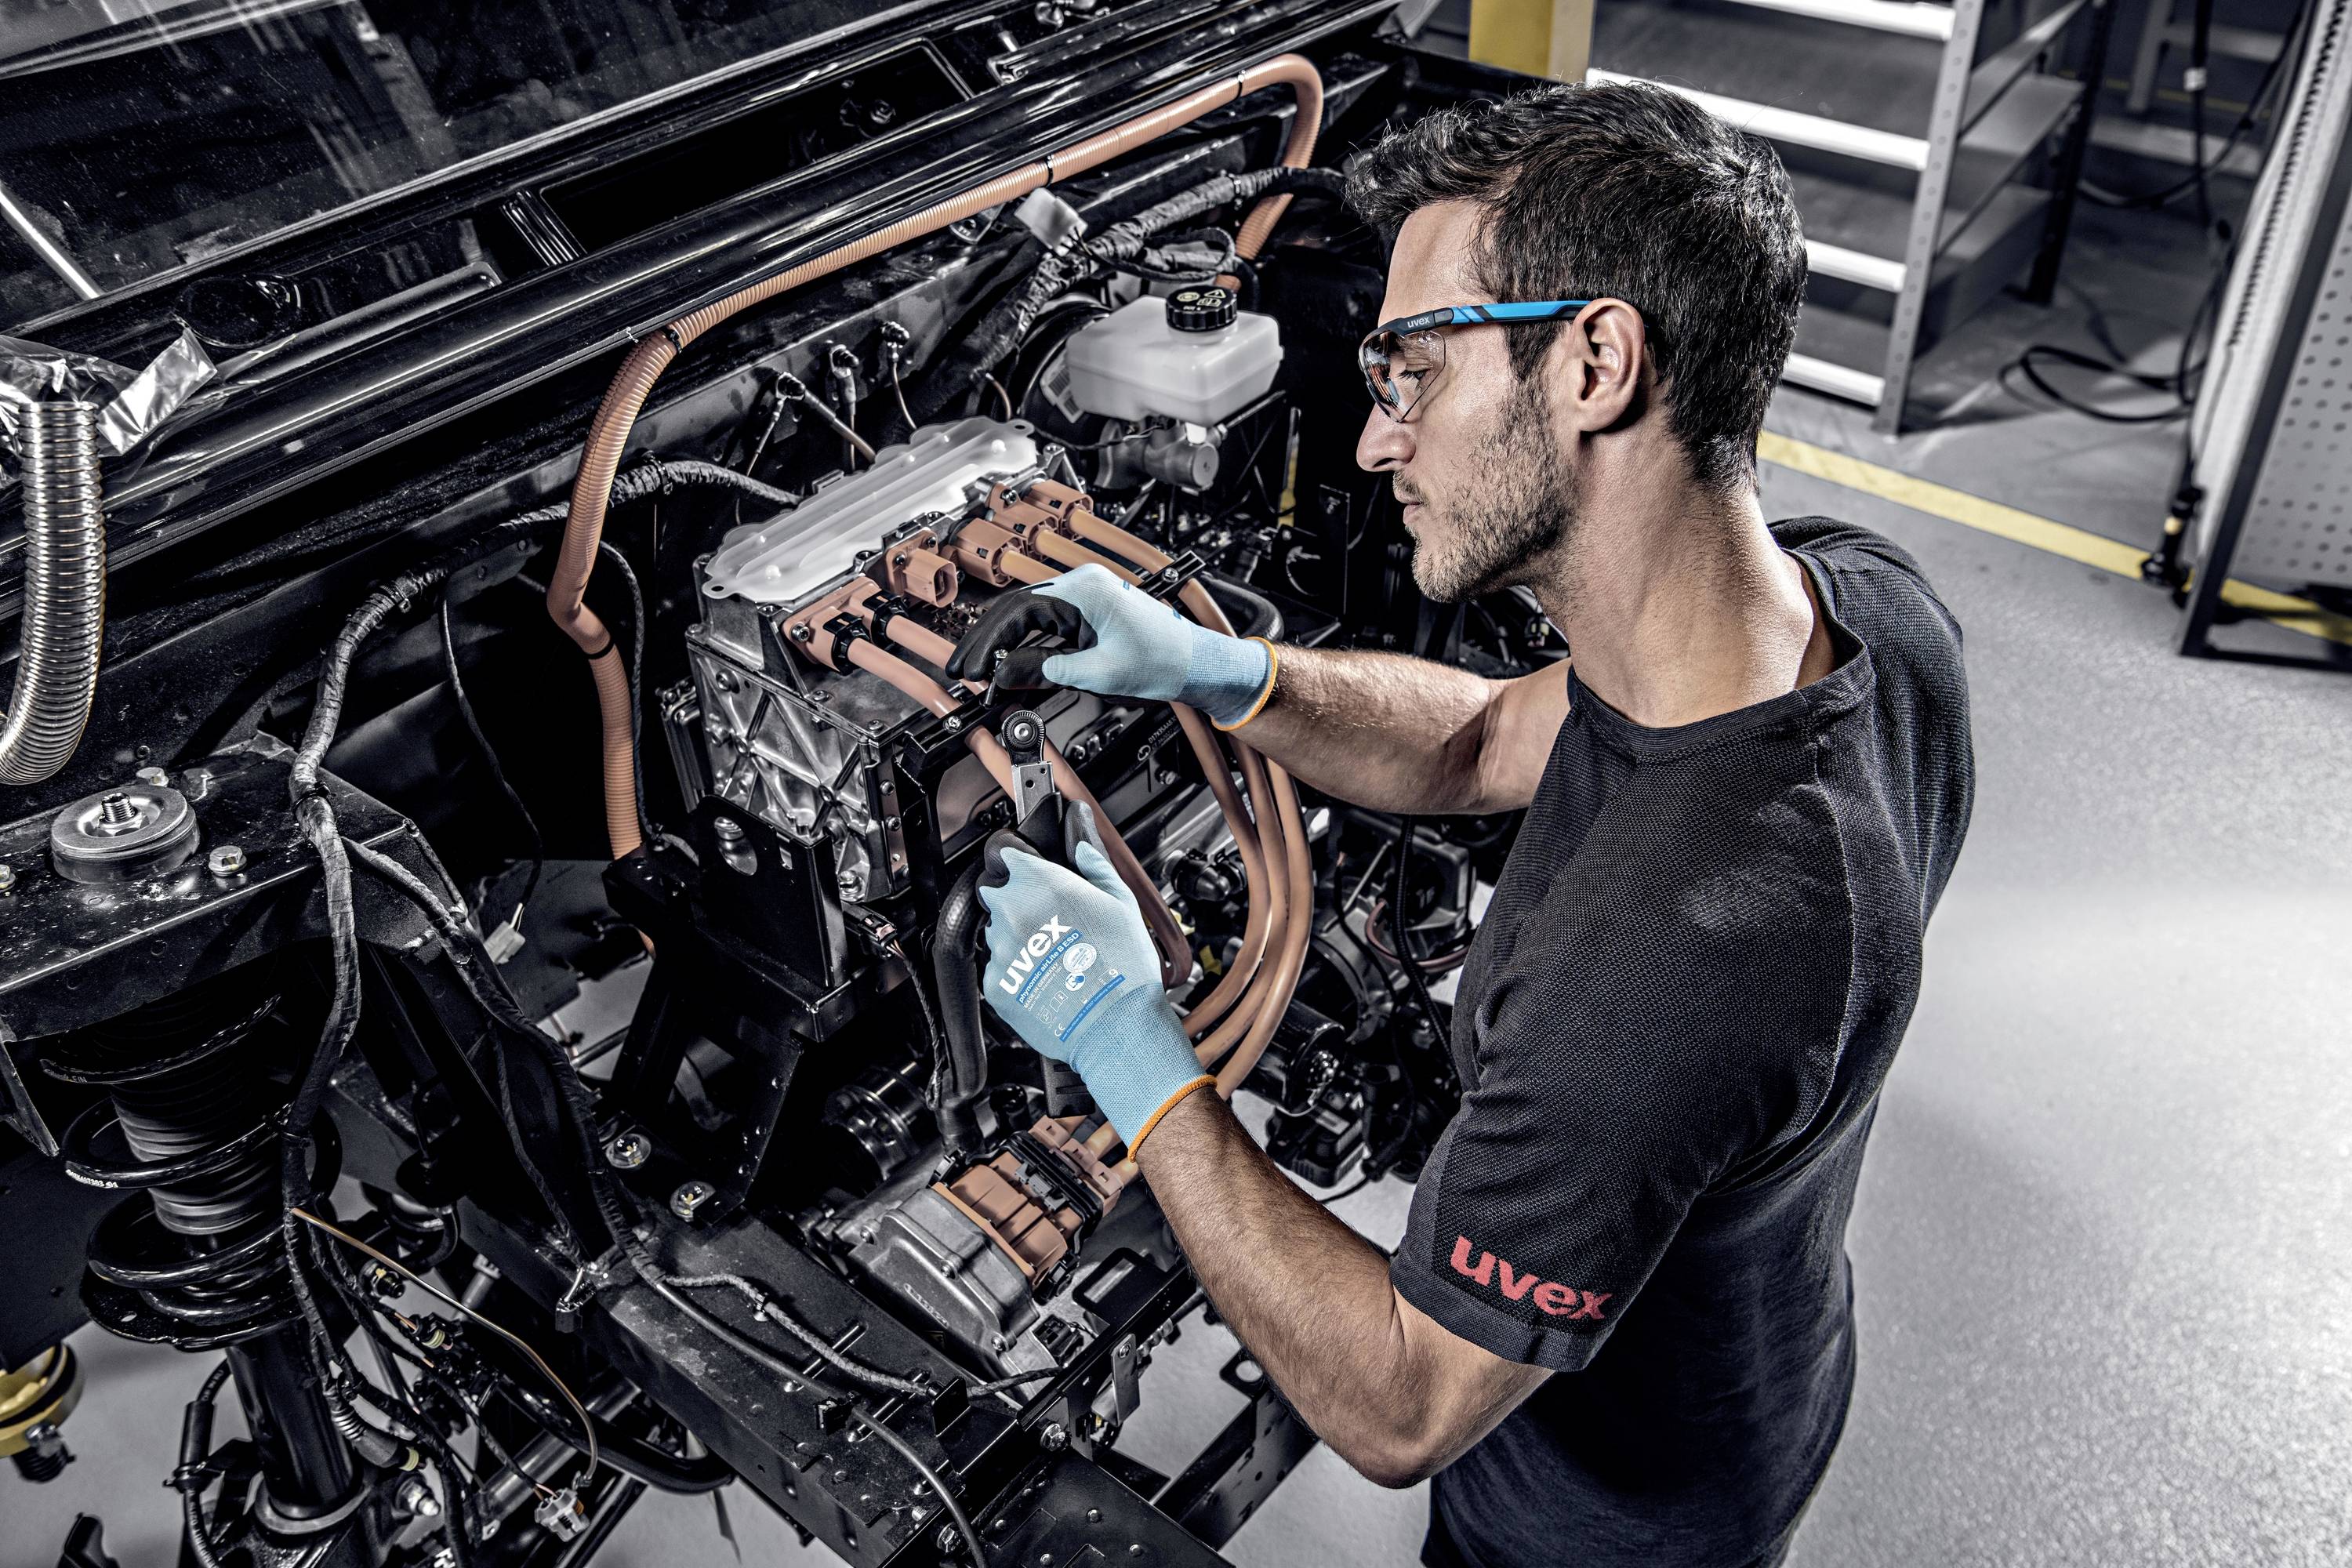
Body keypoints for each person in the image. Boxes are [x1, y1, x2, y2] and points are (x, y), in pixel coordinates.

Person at [956, 79, 1975, 1568]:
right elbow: (1495, 734)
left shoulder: (1677, 957)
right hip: (1756, 1361)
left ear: (1595, 362)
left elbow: (1399, 1396)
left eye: (1410, 372)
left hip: (1596, 1525)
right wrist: (1224, 669)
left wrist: (1122, 1040)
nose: (1376, 445)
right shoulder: (1863, 609)